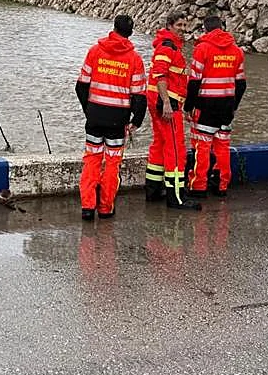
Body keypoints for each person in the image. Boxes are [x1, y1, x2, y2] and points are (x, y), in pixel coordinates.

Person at [75, 14, 147, 220]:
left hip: (95, 118)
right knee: (113, 163)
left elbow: (81, 86)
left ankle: (87, 208)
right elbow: (139, 95)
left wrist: (88, 110)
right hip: (118, 120)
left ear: (113, 28)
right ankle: (106, 208)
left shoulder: (95, 51)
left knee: (92, 160)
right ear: (130, 33)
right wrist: (136, 121)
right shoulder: (134, 59)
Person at [185, 13, 247, 198]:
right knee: (222, 145)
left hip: (206, 106)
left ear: (205, 29)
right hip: (227, 106)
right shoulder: (237, 51)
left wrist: (189, 106)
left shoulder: (202, 49)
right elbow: (241, 84)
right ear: (222, 27)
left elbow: (194, 82)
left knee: (202, 147)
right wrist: (233, 105)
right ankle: (221, 184)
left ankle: (198, 186)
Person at [144, 11, 201, 210]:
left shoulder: (167, 45)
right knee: (175, 149)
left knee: (159, 144)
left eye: (185, 26)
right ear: (169, 25)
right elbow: (160, 75)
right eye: (179, 25)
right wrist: (167, 103)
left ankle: (152, 189)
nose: (183, 30)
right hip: (167, 104)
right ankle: (176, 197)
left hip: (159, 102)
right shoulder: (167, 47)